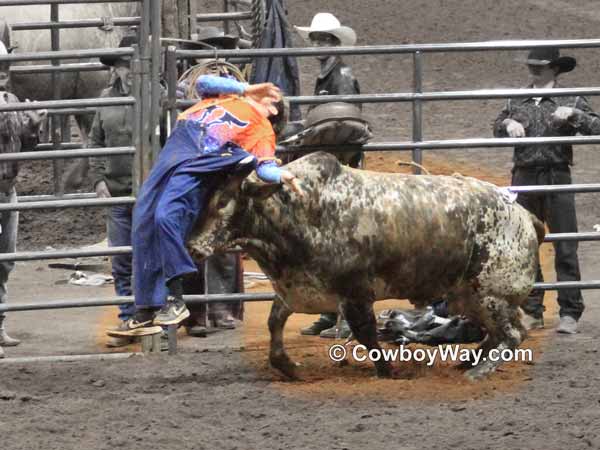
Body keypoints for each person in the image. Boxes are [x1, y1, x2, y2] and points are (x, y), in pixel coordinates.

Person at [119, 75, 303, 333]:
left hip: (199, 159)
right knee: (143, 219)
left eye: (272, 98)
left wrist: (281, 175)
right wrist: (246, 88)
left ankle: (175, 297)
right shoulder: (224, 96)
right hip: (176, 150)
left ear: (273, 109)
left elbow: (266, 165)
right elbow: (203, 81)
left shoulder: (261, 129)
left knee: (165, 217)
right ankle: (146, 308)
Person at [493, 47, 600, 334]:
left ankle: (569, 312)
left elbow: (596, 127)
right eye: (532, 65)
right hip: (524, 176)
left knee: (565, 245)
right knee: (526, 246)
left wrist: (574, 115)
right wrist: (507, 123)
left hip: (556, 174)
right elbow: (496, 127)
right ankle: (532, 310)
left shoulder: (571, 99)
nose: (534, 70)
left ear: (554, 69)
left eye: (540, 65)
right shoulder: (516, 99)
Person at [295, 12, 361, 339]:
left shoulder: (341, 77)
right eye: (315, 39)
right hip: (334, 159)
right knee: (328, 240)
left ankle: (348, 315)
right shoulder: (331, 74)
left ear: (333, 42)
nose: (317, 45)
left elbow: (345, 121)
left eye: (323, 39)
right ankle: (332, 311)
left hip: (340, 162)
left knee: (340, 242)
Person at [89, 35, 140, 347]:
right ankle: (127, 318)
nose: (128, 71)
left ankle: (149, 319)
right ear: (116, 69)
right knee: (121, 258)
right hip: (117, 189)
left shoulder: (156, 97)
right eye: (123, 66)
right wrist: (98, 179)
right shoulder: (105, 99)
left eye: (133, 64)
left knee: (148, 256)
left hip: (146, 188)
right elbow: (95, 142)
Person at [0, 41, 46, 357]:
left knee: (5, 260)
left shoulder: (12, 101)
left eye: (5, 65)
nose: (3, 71)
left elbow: (23, 149)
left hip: (7, 187)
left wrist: (33, 126)